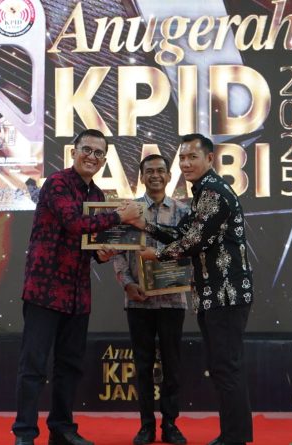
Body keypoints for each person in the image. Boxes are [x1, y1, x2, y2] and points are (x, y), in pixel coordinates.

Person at [12, 129, 144, 445]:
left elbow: (88, 242)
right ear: (74, 152)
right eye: (87, 149)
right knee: (34, 365)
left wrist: (102, 253)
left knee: (70, 366)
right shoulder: (57, 183)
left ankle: (61, 429)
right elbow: (74, 223)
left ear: (104, 160)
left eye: (99, 153)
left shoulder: (97, 195)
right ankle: (25, 433)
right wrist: (119, 216)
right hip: (45, 290)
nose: (92, 157)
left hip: (77, 294)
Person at [134, 134, 254, 445]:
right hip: (214, 295)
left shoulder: (212, 192)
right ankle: (233, 435)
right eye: (183, 158)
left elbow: (193, 241)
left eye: (192, 157)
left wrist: (156, 254)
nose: (186, 163)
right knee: (222, 367)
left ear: (210, 159)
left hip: (226, 294)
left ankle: (234, 438)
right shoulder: (202, 192)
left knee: (226, 367)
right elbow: (183, 231)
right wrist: (146, 226)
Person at [112, 154, 190, 445]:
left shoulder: (183, 212)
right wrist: (127, 284)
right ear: (141, 177)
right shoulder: (129, 212)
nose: (155, 175)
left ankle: (170, 425)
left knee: (172, 366)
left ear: (169, 177)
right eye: (149, 171)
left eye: (160, 171)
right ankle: (146, 426)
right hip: (138, 301)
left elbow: (190, 251)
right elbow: (118, 253)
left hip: (173, 301)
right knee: (143, 367)